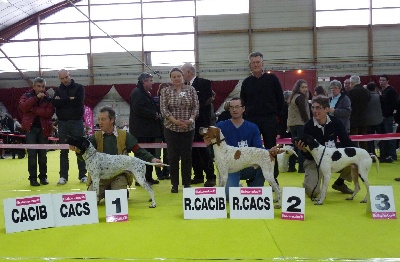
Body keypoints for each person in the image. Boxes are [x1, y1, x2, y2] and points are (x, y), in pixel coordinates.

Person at [203, 97, 280, 199]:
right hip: (231, 169)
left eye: (237, 107)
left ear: (243, 109)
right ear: (229, 109)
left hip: (249, 166)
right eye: (232, 107)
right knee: (228, 196)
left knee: (263, 163)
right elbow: (215, 147)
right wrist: (209, 143)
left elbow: (258, 149)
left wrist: (269, 151)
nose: (234, 110)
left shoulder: (252, 127)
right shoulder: (221, 126)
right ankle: (236, 187)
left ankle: (254, 189)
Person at [85, 106, 162, 201]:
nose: (100, 122)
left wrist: (152, 159)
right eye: (99, 119)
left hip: (119, 175)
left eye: (103, 119)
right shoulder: (95, 137)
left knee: (119, 199)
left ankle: (119, 190)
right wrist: (78, 151)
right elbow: (85, 155)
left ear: (112, 120)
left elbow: (138, 150)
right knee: (89, 200)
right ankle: (105, 190)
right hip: (100, 178)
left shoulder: (124, 135)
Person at [294, 95, 354, 198]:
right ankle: (312, 181)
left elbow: (346, 142)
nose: (315, 111)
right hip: (313, 160)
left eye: (318, 108)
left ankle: (340, 183)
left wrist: (361, 152)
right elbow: (306, 154)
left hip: (333, 158)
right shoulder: (308, 126)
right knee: (312, 192)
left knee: (353, 159)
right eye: (313, 107)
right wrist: (303, 150)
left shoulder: (336, 122)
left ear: (327, 109)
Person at [240, 51, 284, 181]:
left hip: (269, 120)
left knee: (271, 148)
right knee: (252, 149)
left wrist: (277, 117)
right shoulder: (246, 82)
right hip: (251, 120)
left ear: (262, 63)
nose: (255, 65)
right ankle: (252, 177)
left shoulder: (273, 79)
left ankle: (273, 178)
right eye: (253, 63)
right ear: (250, 65)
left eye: (258, 62)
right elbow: (243, 102)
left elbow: (280, 100)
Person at [160, 67, 199, 193]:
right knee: (173, 157)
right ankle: (174, 184)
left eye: (179, 76)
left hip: (189, 128)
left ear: (183, 77)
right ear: (170, 78)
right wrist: (175, 121)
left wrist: (190, 120)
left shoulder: (191, 89)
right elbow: (164, 109)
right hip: (171, 128)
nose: (176, 78)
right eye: (174, 76)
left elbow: (196, 107)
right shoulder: (165, 91)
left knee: (187, 156)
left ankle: (187, 183)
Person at [181, 63, 216, 187]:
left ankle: (211, 176)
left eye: (183, 72)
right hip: (190, 125)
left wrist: (191, 110)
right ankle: (198, 175)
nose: (181, 75)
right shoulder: (183, 87)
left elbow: (204, 100)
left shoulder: (204, 83)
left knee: (205, 150)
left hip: (202, 123)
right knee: (193, 151)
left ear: (190, 72)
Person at [52, 69, 87, 185]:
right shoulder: (58, 90)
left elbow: (78, 102)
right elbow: (55, 104)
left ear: (69, 75)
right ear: (59, 79)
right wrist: (69, 99)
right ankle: (63, 176)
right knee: (63, 151)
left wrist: (62, 101)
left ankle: (83, 175)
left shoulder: (79, 88)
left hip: (77, 122)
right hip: (62, 123)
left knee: (80, 149)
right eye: (62, 78)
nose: (64, 80)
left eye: (66, 77)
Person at [18, 77, 55, 186]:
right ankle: (33, 179)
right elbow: (23, 107)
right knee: (32, 155)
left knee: (43, 155)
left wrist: (33, 109)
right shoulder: (26, 96)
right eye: (38, 86)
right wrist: (35, 98)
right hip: (30, 130)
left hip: (44, 129)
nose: (41, 88)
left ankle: (43, 177)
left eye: (43, 86)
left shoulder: (48, 98)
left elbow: (49, 113)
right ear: (33, 86)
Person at [129, 72, 162, 185]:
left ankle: (148, 177)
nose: (153, 83)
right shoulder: (137, 92)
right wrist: (154, 114)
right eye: (151, 80)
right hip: (141, 131)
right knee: (142, 155)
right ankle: (141, 178)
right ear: (144, 81)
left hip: (147, 131)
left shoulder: (143, 92)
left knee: (149, 154)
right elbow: (138, 109)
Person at [287, 79, 310, 173]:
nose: (305, 89)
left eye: (306, 87)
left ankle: (291, 167)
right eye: (303, 87)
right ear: (298, 88)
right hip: (300, 124)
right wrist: (308, 123)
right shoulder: (300, 97)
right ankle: (301, 167)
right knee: (301, 146)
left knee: (295, 146)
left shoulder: (293, 97)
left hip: (292, 124)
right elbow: (303, 112)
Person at [347, 75, 370, 150]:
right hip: (364, 118)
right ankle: (364, 156)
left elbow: (349, 105)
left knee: (354, 140)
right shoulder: (366, 91)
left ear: (351, 83)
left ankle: (354, 156)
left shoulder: (351, 92)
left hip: (353, 119)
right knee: (363, 140)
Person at [379, 74, 398, 163]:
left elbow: (394, 105)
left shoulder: (391, 91)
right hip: (383, 117)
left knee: (390, 137)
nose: (381, 82)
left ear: (387, 81)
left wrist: (387, 115)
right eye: (380, 80)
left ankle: (392, 155)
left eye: (383, 80)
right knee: (385, 137)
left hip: (389, 117)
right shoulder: (382, 91)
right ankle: (386, 154)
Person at [365, 82, 384, 156]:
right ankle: (383, 155)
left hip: (368, 121)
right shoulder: (379, 96)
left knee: (370, 140)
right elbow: (383, 107)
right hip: (379, 120)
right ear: (375, 88)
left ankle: (372, 155)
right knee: (382, 138)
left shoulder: (366, 97)